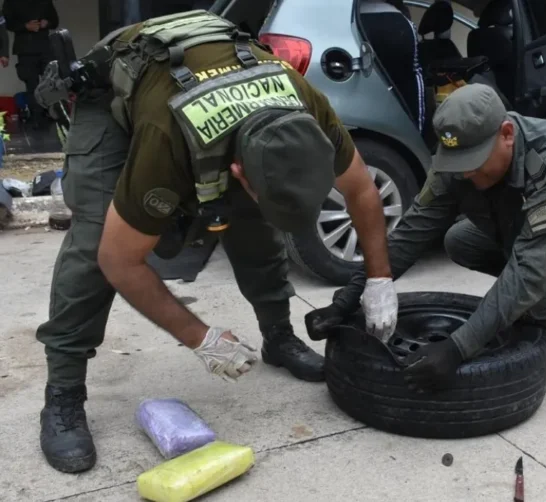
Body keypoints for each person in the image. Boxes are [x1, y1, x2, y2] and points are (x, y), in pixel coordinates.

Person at [34, 10, 397, 474]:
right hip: (113, 91)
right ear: (240, 172)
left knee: (251, 218)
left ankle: (277, 337)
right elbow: (119, 261)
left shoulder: (307, 103)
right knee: (95, 238)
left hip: (210, 85)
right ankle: (62, 394)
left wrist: (380, 279)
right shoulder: (166, 138)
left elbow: (363, 190)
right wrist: (200, 338)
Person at [305, 83, 546, 391]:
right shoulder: (458, 161)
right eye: (460, 163)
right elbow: (412, 232)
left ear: (506, 134)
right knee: (459, 240)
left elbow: (528, 273)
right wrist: (348, 299)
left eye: (476, 162)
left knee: (537, 301)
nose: (468, 174)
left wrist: (457, 348)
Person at [2, 0, 58, 129]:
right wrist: (25, 26)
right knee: (31, 85)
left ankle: (53, 114)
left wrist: (46, 23)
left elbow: (54, 20)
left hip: (45, 46)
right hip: (25, 48)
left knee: (51, 82)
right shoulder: (11, 3)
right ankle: (37, 118)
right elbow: (7, 23)